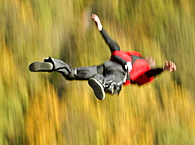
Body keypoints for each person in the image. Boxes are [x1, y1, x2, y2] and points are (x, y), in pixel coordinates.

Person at [29, 14, 176, 100]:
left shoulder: (130, 55)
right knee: (113, 87)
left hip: (106, 65)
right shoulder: (143, 69)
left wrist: (100, 27)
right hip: (119, 74)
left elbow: (113, 45)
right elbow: (149, 73)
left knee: (72, 74)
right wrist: (162, 69)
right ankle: (101, 82)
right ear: (148, 64)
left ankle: (54, 64)